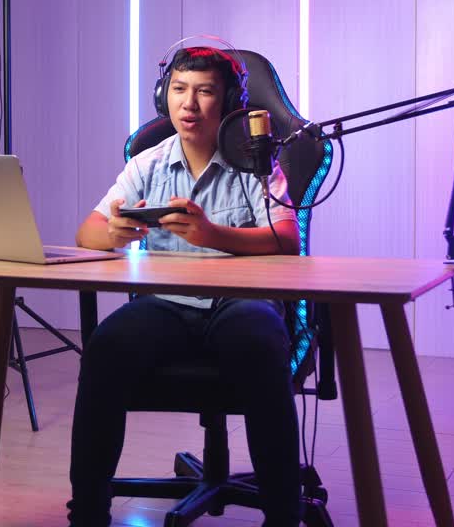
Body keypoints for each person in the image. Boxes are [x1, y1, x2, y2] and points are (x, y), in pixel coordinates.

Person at [68, 46, 303, 527]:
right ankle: (87, 515)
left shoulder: (256, 162)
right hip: (166, 304)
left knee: (260, 344)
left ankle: (283, 516)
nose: (188, 104)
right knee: (105, 348)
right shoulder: (148, 164)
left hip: (241, 303)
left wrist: (212, 235)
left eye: (204, 91)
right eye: (178, 90)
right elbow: (86, 232)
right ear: (164, 96)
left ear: (229, 101)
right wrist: (113, 233)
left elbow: (287, 239)